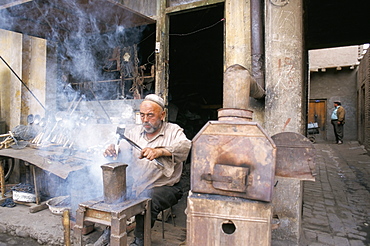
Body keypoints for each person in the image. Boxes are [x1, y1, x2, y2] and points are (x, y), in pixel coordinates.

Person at [101, 94, 192, 246]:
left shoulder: (173, 130)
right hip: (138, 183)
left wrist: (160, 151)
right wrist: (113, 150)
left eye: (150, 115)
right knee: (113, 193)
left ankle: (140, 241)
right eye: (142, 115)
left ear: (162, 115)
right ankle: (108, 233)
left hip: (165, 186)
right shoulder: (134, 132)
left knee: (147, 200)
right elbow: (122, 151)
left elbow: (185, 147)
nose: (145, 120)